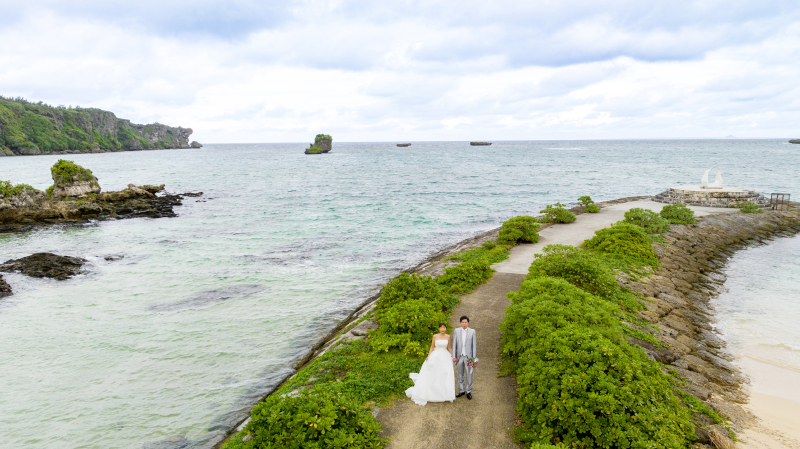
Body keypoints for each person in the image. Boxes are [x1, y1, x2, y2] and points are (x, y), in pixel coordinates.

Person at [405, 323, 456, 406]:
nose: (442, 329)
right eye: (441, 328)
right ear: (439, 328)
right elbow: (432, 347)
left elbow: (449, 347)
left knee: (444, 374)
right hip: (436, 356)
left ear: (446, 329)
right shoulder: (435, 336)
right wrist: (428, 356)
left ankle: (444, 394)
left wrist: (453, 356)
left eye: (444, 328)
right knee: (434, 374)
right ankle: (432, 393)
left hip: (445, 356)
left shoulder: (448, 337)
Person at [451, 315, 477, 400]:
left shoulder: (472, 331)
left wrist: (473, 358)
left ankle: (468, 391)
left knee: (469, 374)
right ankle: (461, 390)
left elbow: (474, 346)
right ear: (460, 323)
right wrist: (454, 356)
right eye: (462, 322)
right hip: (459, 357)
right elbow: (454, 344)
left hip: (468, 357)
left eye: (465, 322)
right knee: (460, 374)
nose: (464, 324)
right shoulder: (456, 331)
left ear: (468, 323)